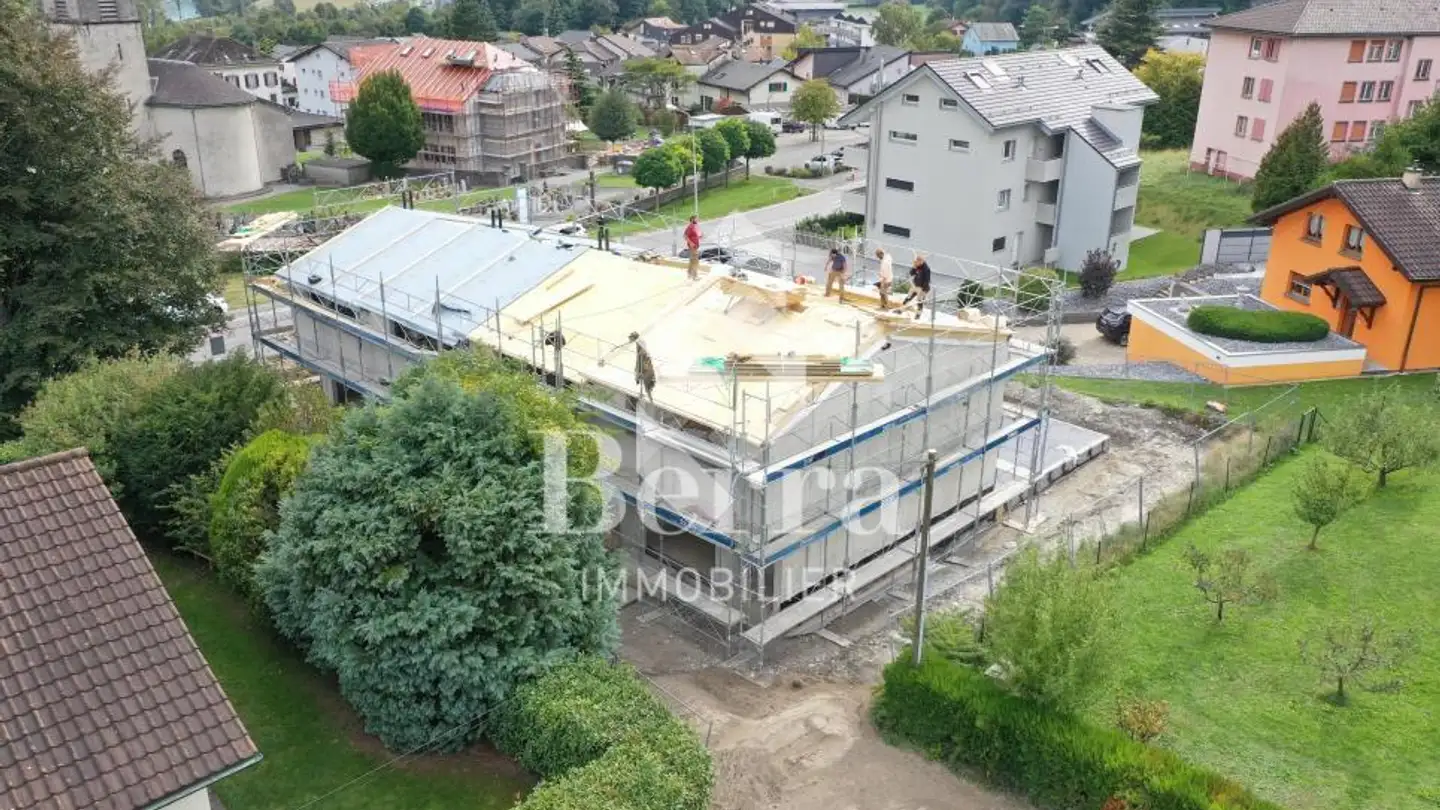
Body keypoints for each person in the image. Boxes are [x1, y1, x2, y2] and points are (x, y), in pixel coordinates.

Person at [902, 255, 932, 320]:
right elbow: (911, 273)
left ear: (921, 261)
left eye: (918, 261)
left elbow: (927, 280)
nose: (916, 262)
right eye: (916, 261)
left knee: (919, 302)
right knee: (908, 298)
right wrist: (914, 267)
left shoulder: (926, 269)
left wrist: (923, 290)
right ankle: (902, 310)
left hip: (922, 288)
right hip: (916, 286)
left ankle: (918, 315)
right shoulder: (917, 266)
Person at [684, 215, 702, 280]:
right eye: (696, 219)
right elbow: (685, 236)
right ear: (692, 220)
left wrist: (699, 236)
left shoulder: (694, 227)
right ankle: (695, 276)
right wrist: (691, 243)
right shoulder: (690, 226)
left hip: (695, 246)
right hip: (693, 246)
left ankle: (689, 274)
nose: (698, 220)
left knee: (692, 260)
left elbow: (694, 235)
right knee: (695, 261)